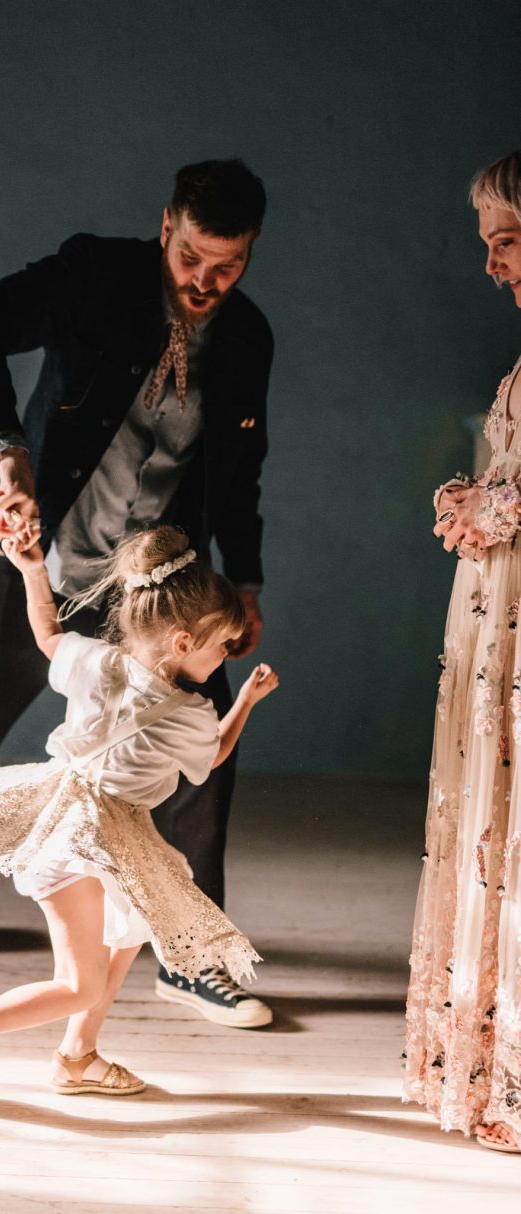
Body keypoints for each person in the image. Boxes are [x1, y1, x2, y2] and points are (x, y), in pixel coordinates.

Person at [0, 158, 275, 1028]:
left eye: (228, 265)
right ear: (167, 228)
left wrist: (249, 577)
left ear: (250, 255)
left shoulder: (249, 336)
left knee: (196, 757)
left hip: (154, 589)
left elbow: (240, 470)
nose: (206, 281)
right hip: (43, 554)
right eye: (193, 257)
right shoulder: (95, 277)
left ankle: (183, 958)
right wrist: (7, 454)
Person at [0, 525, 278, 1091]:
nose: (225, 655)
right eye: (221, 644)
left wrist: (34, 570)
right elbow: (216, 754)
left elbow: (48, 633)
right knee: (79, 982)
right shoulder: (191, 712)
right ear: (181, 642)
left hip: (64, 809)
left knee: (129, 927)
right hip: (91, 833)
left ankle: (77, 1056)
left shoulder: (102, 662)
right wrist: (246, 702)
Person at [404, 150, 521, 1154]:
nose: (494, 266)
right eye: (489, 244)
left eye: (510, 240)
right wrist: (474, 502)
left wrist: (495, 503)